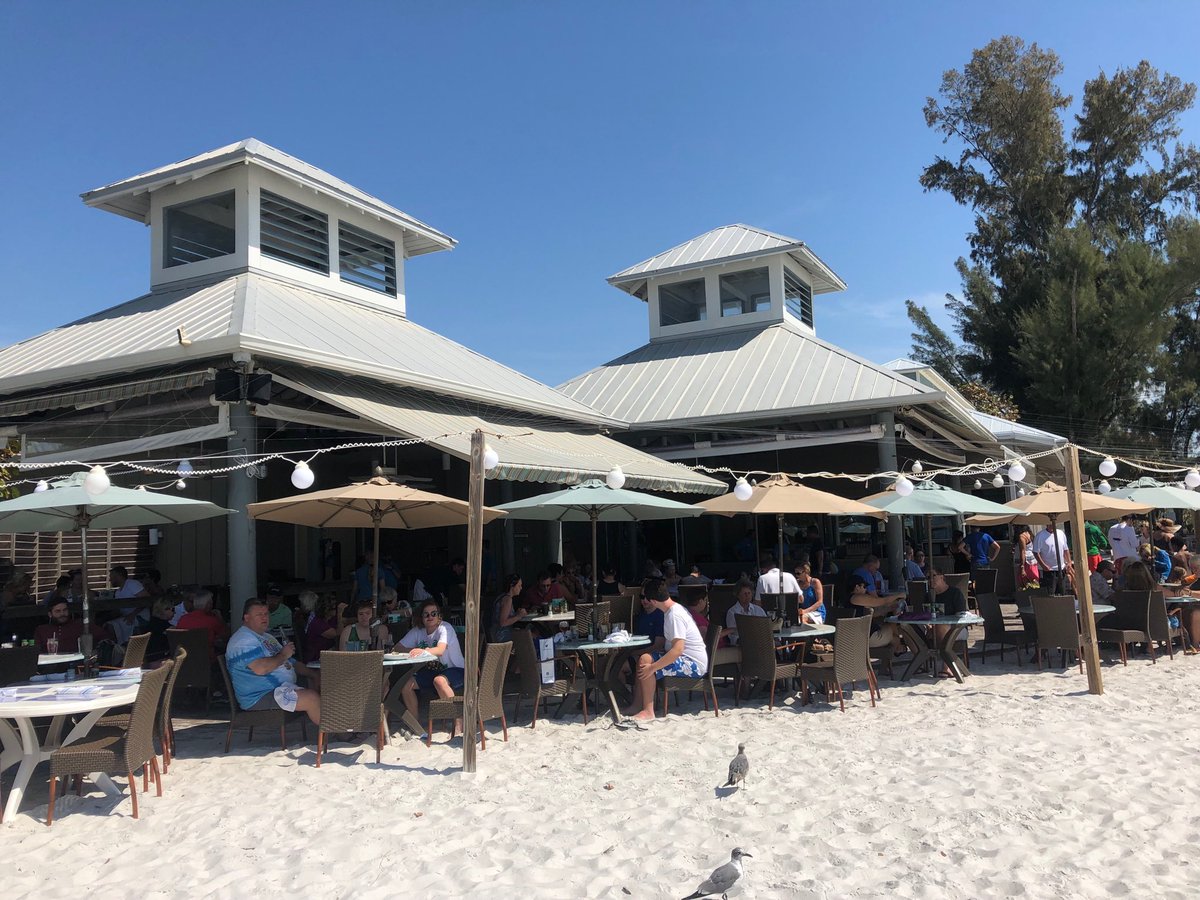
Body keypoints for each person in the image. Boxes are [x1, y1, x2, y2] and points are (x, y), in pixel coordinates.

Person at [225, 598, 320, 723]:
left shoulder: (266, 636)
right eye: (259, 615)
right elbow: (261, 668)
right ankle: (338, 734)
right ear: (247, 618)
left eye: (266, 614)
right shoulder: (242, 640)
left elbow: (292, 662)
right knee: (311, 698)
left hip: (281, 689)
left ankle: (337, 727)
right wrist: (283, 655)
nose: (264, 618)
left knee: (326, 683)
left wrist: (313, 674)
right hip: (260, 696)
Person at [623, 583, 708, 721]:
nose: (645, 601)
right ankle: (638, 705)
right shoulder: (671, 611)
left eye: (646, 598)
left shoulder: (674, 615)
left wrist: (653, 668)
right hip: (685, 658)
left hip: (693, 664)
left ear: (654, 601)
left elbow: (678, 649)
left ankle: (648, 710)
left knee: (646, 661)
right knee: (644, 659)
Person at [398, 601, 466, 737]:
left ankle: (459, 723)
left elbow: (440, 650)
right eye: (426, 614)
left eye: (434, 613)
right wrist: (414, 650)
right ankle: (415, 724)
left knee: (439, 681)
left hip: (457, 669)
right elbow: (397, 647)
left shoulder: (445, 628)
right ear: (421, 617)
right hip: (433, 672)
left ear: (439, 616)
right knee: (406, 684)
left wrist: (421, 650)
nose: (430, 617)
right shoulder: (418, 631)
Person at [33, 598, 109, 654]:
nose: (62, 614)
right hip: (49, 668)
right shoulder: (41, 630)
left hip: (77, 666)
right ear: (50, 614)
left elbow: (105, 637)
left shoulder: (80, 625)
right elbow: (36, 651)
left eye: (65, 610)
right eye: (58, 611)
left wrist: (95, 652)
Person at [848, 575, 901, 651]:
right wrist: (898, 595)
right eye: (864, 586)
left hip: (860, 636)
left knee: (894, 637)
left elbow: (872, 613)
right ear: (857, 587)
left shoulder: (849, 600)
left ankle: (898, 648)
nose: (866, 590)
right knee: (893, 628)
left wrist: (888, 609)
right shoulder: (856, 598)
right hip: (866, 638)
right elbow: (881, 601)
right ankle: (899, 649)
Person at [176, 589, 227, 660]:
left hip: (184, 661)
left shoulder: (182, 619)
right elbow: (226, 636)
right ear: (208, 604)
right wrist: (219, 617)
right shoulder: (211, 620)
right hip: (207, 661)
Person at [1032, 524, 1073, 593]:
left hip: (1061, 569)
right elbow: (1036, 552)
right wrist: (1043, 565)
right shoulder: (1040, 535)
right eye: (1049, 524)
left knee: (1063, 592)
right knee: (1050, 593)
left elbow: (1065, 549)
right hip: (1048, 570)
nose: (1051, 525)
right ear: (1046, 524)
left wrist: (1069, 562)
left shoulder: (1061, 533)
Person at [136, 595, 177, 665]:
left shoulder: (152, 623)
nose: (174, 612)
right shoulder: (163, 626)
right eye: (172, 609)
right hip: (160, 659)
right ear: (164, 609)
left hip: (150, 657)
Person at [302, 595, 340, 664]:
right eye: (334, 608)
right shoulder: (317, 623)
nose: (336, 610)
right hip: (316, 658)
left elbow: (345, 621)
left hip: (327, 654)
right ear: (326, 610)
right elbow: (337, 634)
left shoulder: (330, 619)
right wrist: (340, 613)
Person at [491, 574, 527, 643]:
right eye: (519, 586)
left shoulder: (501, 596)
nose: (521, 588)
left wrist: (516, 614)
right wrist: (518, 616)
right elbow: (503, 622)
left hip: (496, 632)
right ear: (512, 586)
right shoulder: (508, 599)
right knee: (529, 636)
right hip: (502, 635)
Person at [634, 586, 666, 651]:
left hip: (652, 655)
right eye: (642, 597)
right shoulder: (640, 615)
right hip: (638, 652)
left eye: (648, 597)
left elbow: (658, 646)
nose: (645, 600)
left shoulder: (660, 616)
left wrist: (634, 653)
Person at [1015, 525, 1040, 590]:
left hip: (1026, 561)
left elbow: (1023, 552)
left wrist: (1022, 567)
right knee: (1034, 582)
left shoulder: (1022, 536)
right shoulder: (1030, 534)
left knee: (1023, 582)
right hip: (1033, 560)